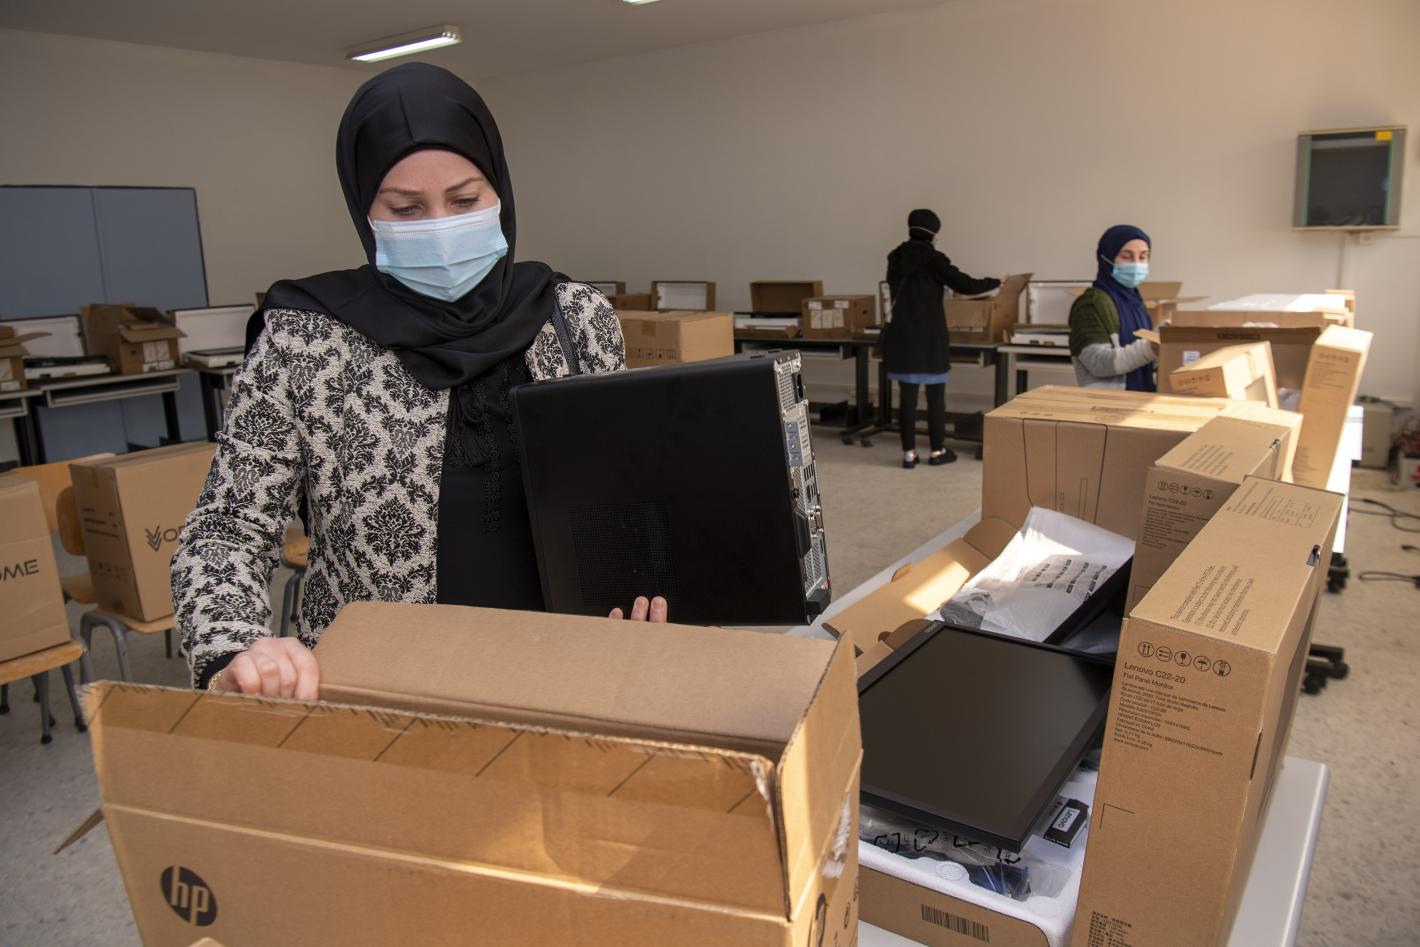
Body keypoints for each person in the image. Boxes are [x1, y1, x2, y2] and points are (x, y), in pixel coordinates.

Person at [172, 63, 665, 701]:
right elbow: (226, 528)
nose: (439, 228)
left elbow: (626, 493)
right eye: (406, 209)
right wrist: (234, 645)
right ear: (364, 211)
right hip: (384, 690)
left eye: (464, 201)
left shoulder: (573, 317)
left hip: (569, 674)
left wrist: (654, 579)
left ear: (500, 191)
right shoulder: (305, 340)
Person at [882, 209, 1002, 469]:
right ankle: (938, 451)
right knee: (935, 398)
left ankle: (909, 454)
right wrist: (996, 282)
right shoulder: (934, 259)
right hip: (929, 338)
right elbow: (965, 285)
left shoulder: (895, 257)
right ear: (934, 233)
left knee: (907, 399)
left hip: (902, 336)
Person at [1069, 225, 1158, 390]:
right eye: (1126, 256)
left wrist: (1165, 338)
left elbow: (1144, 361)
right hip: (1109, 402)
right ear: (1106, 258)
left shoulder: (1136, 302)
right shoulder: (1091, 304)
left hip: (1143, 398)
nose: (1136, 264)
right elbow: (1097, 363)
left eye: (1143, 257)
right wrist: (1151, 347)